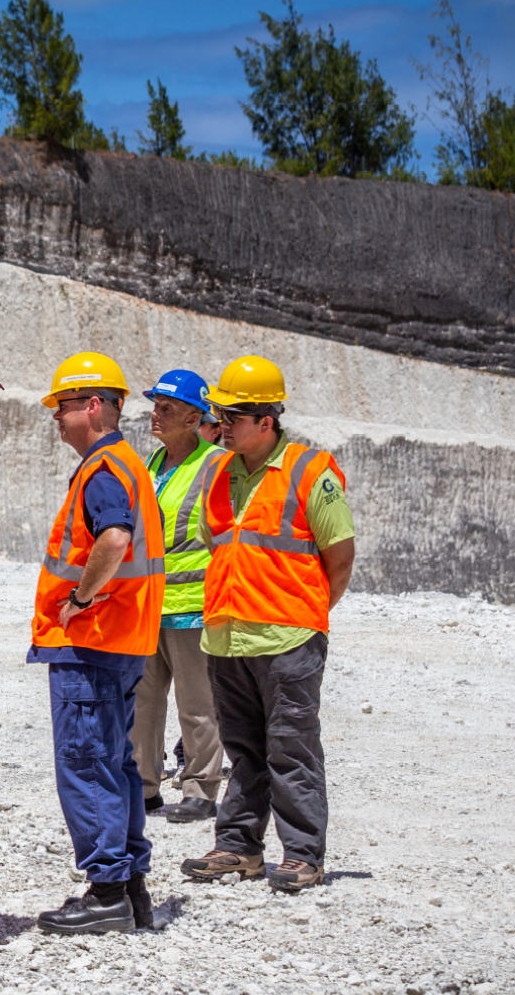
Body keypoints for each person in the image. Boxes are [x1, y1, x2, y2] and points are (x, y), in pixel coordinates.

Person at [179, 356, 354, 893]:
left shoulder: (308, 471)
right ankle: (238, 848)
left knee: (291, 748)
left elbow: (340, 555)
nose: (221, 425)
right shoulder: (217, 473)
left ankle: (303, 854)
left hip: (289, 638)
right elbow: (221, 548)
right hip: (227, 637)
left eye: (232, 416)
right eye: (220, 416)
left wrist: (309, 614)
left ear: (266, 420)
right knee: (243, 750)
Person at [29, 353, 166, 935]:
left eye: (61, 407)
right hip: (125, 640)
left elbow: (114, 536)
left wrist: (81, 600)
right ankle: (131, 887)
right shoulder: (129, 464)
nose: (55, 419)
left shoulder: (102, 469)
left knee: (86, 764)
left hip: (92, 640)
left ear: (92, 405)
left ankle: (107, 888)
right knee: (117, 763)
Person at [134, 370, 230, 825]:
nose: (156, 413)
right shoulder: (153, 462)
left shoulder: (216, 466)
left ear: (194, 418)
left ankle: (201, 787)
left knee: (197, 705)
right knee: (143, 703)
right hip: (150, 605)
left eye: (166, 408)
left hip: (193, 607)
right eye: (155, 405)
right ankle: (145, 786)